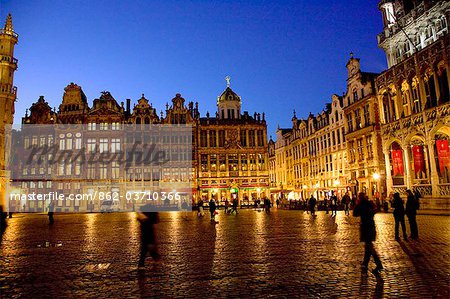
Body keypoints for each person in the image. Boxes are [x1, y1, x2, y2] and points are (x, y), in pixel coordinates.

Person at [353, 192, 383, 276]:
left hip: (365, 226)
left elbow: (355, 213)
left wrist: (357, 204)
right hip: (371, 225)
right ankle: (365, 264)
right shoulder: (370, 203)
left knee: (369, 246)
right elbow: (376, 210)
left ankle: (379, 264)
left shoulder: (361, 204)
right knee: (368, 246)